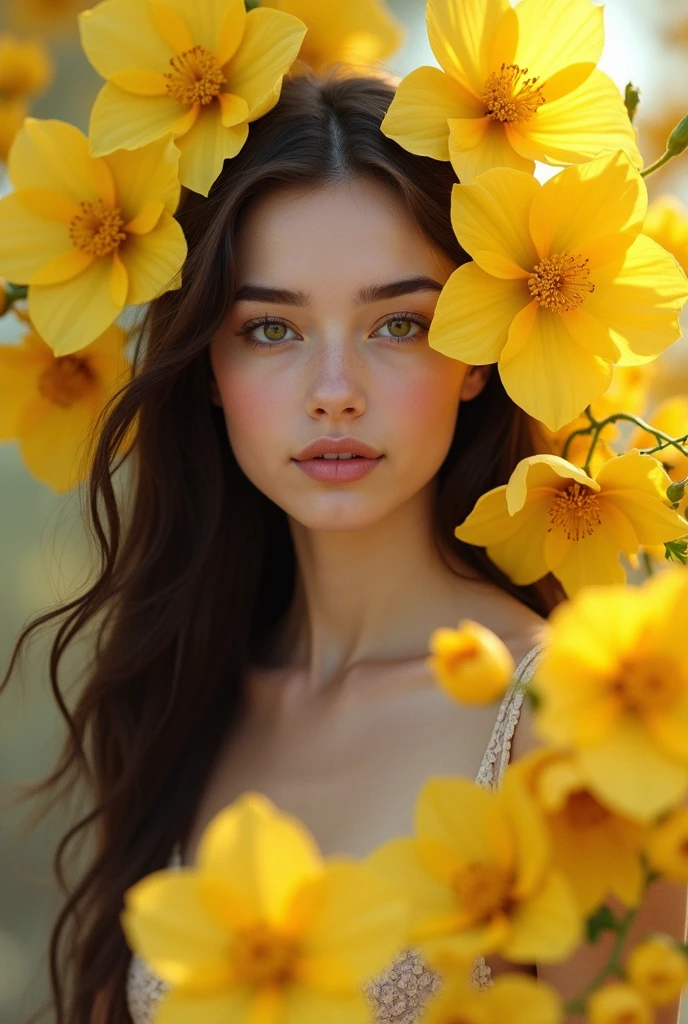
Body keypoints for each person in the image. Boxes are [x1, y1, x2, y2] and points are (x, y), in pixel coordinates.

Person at [4, 71, 683, 1024]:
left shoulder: (558, 726)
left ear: (477, 355)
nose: (334, 391)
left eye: (398, 324)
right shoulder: (189, 692)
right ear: (207, 364)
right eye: (271, 328)